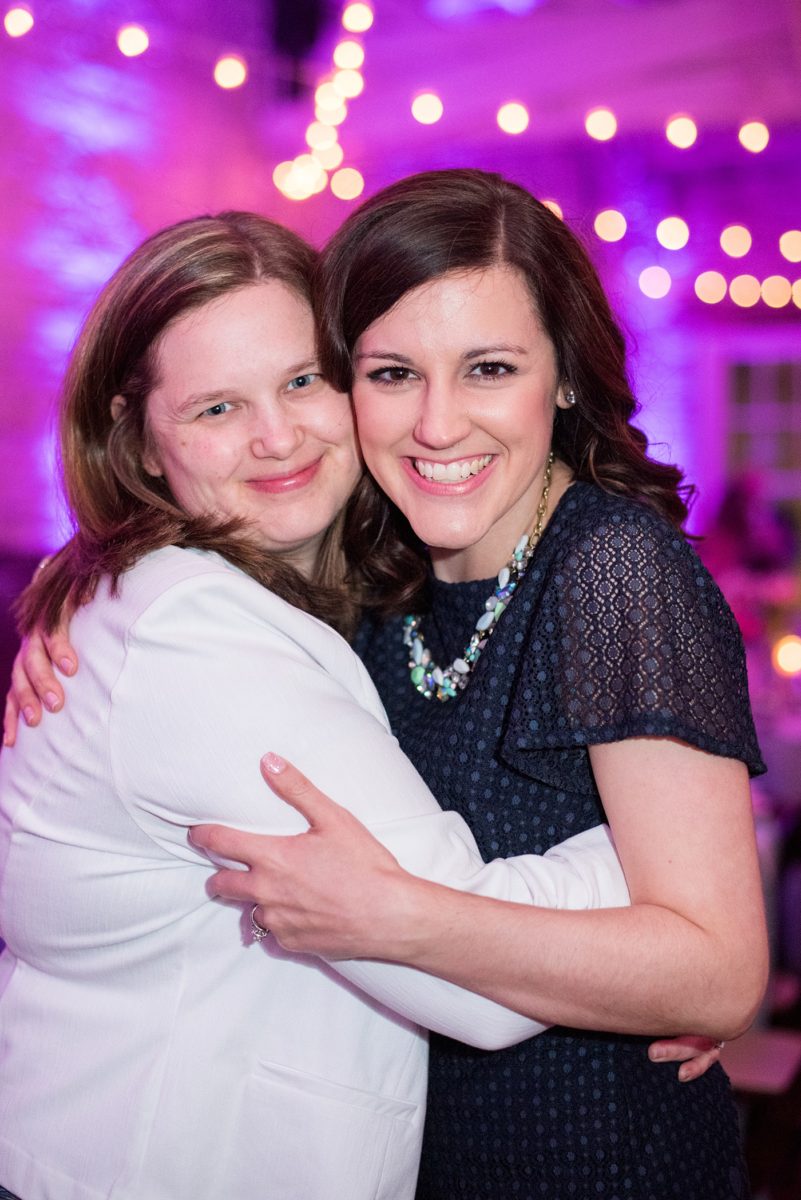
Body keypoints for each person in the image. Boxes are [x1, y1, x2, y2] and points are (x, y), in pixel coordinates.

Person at [0, 209, 661, 1200]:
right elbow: (466, 981)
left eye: (304, 380)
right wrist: (670, 861)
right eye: (215, 409)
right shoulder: (194, 644)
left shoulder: (315, 588)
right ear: (141, 444)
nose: (278, 437)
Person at [183, 171, 769, 1200]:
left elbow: (718, 972)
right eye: (393, 373)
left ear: (568, 379)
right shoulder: (372, 571)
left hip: (600, 1166)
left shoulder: (610, 570)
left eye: (489, 368)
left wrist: (397, 917)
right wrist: (75, 585)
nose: (438, 425)